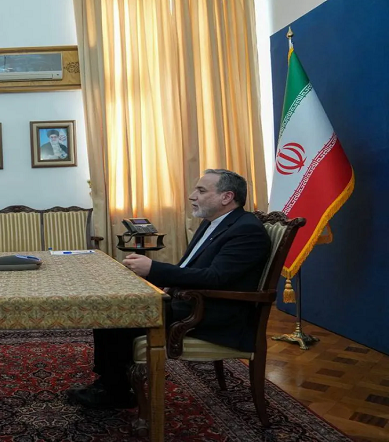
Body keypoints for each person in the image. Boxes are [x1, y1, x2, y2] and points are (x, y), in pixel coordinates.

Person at [67, 169, 271, 409]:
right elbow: (191, 267)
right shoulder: (214, 223)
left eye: (201, 190)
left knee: (115, 315)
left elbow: (216, 277)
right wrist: (164, 281)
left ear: (227, 197)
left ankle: (113, 391)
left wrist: (154, 269)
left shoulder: (246, 230)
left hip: (212, 313)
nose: (192, 196)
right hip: (191, 302)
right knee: (112, 307)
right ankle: (112, 384)